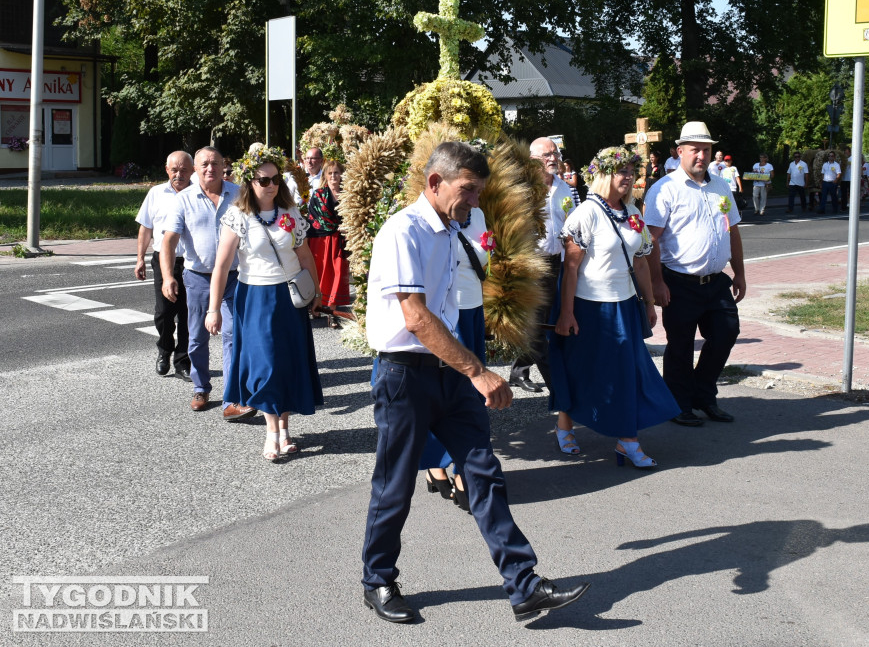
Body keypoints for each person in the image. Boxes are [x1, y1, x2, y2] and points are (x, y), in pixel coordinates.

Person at [360, 140, 589, 624]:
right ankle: (377, 579)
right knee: (395, 484)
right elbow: (416, 318)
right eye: (467, 190)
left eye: (480, 192)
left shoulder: (452, 229)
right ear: (435, 182)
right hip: (406, 375)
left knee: (483, 473)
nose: (474, 201)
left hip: (451, 375)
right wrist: (478, 371)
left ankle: (523, 584)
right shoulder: (403, 231)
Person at [548, 147, 679, 466]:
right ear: (604, 175)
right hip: (588, 309)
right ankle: (565, 423)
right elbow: (571, 269)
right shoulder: (586, 213)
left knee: (627, 373)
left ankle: (627, 441)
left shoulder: (633, 215)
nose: (629, 177)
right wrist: (566, 313)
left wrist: (648, 303)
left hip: (624, 308)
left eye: (632, 172)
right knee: (584, 370)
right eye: (622, 171)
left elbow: (642, 263)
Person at [206, 147, 324, 461]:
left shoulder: (291, 214)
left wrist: (316, 294)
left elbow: (304, 256)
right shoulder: (237, 216)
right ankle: (271, 431)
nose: (270, 185)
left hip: (288, 299)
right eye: (263, 180)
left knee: (286, 364)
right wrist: (213, 308)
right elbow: (221, 266)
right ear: (250, 182)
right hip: (255, 299)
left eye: (275, 179)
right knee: (266, 367)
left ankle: (283, 429)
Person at [645, 121, 746, 427]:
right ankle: (678, 404)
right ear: (680, 152)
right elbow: (651, 241)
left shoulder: (720, 186)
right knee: (681, 346)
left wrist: (739, 273)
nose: (701, 156)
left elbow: (734, 231)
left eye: (706, 149)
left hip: (715, 282)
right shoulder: (664, 189)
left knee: (727, 332)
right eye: (694, 150)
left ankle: (703, 394)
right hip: (679, 282)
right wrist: (657, 283)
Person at [161, 147, 257, 421]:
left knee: (232, 336)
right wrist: (168, 277)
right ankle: (201, 387)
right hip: (198, 278)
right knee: (196, 337)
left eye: (215, 163)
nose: (210, 168)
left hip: (235, 278)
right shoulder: (183, 200)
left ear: (222, 165)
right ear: (195, 169)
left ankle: (232, 398)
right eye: (204, 164)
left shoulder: (239, 194)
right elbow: (168, 241)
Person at [420, 198, 492, 512]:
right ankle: (446, 467)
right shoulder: (431, 218)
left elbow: (482, 265)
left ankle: (460, 468)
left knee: (472, 397)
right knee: (449, 395)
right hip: (448, 317)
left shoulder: (477, 214)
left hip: (473, 312)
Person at [508, 137, 574, 393]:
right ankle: (556, 384)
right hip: (532, 264)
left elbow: (572, 221)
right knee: (536, 324)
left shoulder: (564, 187)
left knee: (545, 320)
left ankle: (518, 370)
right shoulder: (521, 188)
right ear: (532, 159)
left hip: (557, 262)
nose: (553, 158)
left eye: (555, 153)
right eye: (546, 155)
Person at [134, 151, 194, 381]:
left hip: (190, 261)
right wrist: (140, 258)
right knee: (164, 313)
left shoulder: (198, 193)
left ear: (192, 171)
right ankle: (164, 349)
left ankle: (182, 360)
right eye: (174, 170)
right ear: (166, 170)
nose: (179, 174)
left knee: (189, 315)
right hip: (163, 260)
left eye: (184, 170)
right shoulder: (156, 193)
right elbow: (145, 228)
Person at [306, 156, 351, 329]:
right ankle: (317, 307)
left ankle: (331, 311)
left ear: (342, 175)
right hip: (320, 239)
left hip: (340, 240)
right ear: (325, 175)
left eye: (337, 173)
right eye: (330, 173)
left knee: (338, 274)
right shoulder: (318, 194)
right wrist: (338, 226)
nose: (333, 176)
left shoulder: (348, 195)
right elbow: (315, 218)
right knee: (322, 274)